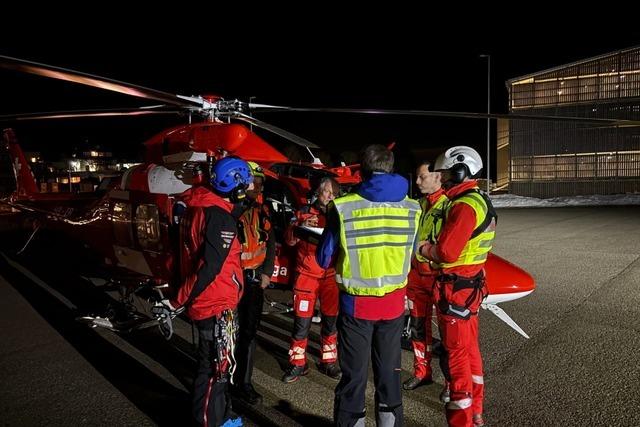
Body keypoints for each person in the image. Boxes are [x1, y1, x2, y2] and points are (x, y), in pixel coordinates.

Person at [317, 144, 421, 427]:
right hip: (394, 307)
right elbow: (413, 255)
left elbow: (324, 258)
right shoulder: (413, 208)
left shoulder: (343, 207)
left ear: (361, 171)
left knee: (354, 379)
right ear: (391, 169)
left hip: (357, 307)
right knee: (390, 376)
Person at [168, 157, 253, 427]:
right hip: (215, 303)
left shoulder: (202, 205)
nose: (250, 187)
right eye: (247, 182)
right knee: (213, 370)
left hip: (215, 301)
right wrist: (177, 301)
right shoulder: (220, 220)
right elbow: (208, 268)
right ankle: (208, 421)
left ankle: (223, 414)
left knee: (221, 366)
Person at [417, 146, 497, 427]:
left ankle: (461, 419)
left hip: (456, 292)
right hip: (470, 288)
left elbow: (447, 252)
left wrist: (425, 248)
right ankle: (476, 412)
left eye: (447, 173)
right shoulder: (479, 200)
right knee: (471, 351)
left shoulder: (463, 206)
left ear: (461, 172)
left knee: (457, 358)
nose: (444, 179)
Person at [282, 176, 341, 383]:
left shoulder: (341, 214)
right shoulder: (302, 212)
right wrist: (300, 226)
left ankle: (329, 361)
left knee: (331, 322)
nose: (331, 196)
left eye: (335, 192)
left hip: (331, 276)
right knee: (301, 323)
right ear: (319, 191)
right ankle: (298, 364)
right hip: (306, 276)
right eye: (327, 191)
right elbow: (289, 241)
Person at [231, 161, 276, 405]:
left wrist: (267, 272)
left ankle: (243, 383)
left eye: (260, 184)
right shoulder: (230, 208)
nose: (258, 188)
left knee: (249, 334)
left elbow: (270, 241)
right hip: (230, 282)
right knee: (225, 333)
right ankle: (222, 380)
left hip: (254, 280)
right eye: (254, 183)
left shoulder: (263, 210)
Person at [403, 161, 448, 391]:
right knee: (418, 328)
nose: (417, 181)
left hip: (439, 279)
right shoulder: (417, 205)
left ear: (438, 177)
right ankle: (422, 372)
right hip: (416, 279)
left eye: (422, 177)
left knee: (449, 334)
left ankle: (453, 384)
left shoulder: (450, 207)